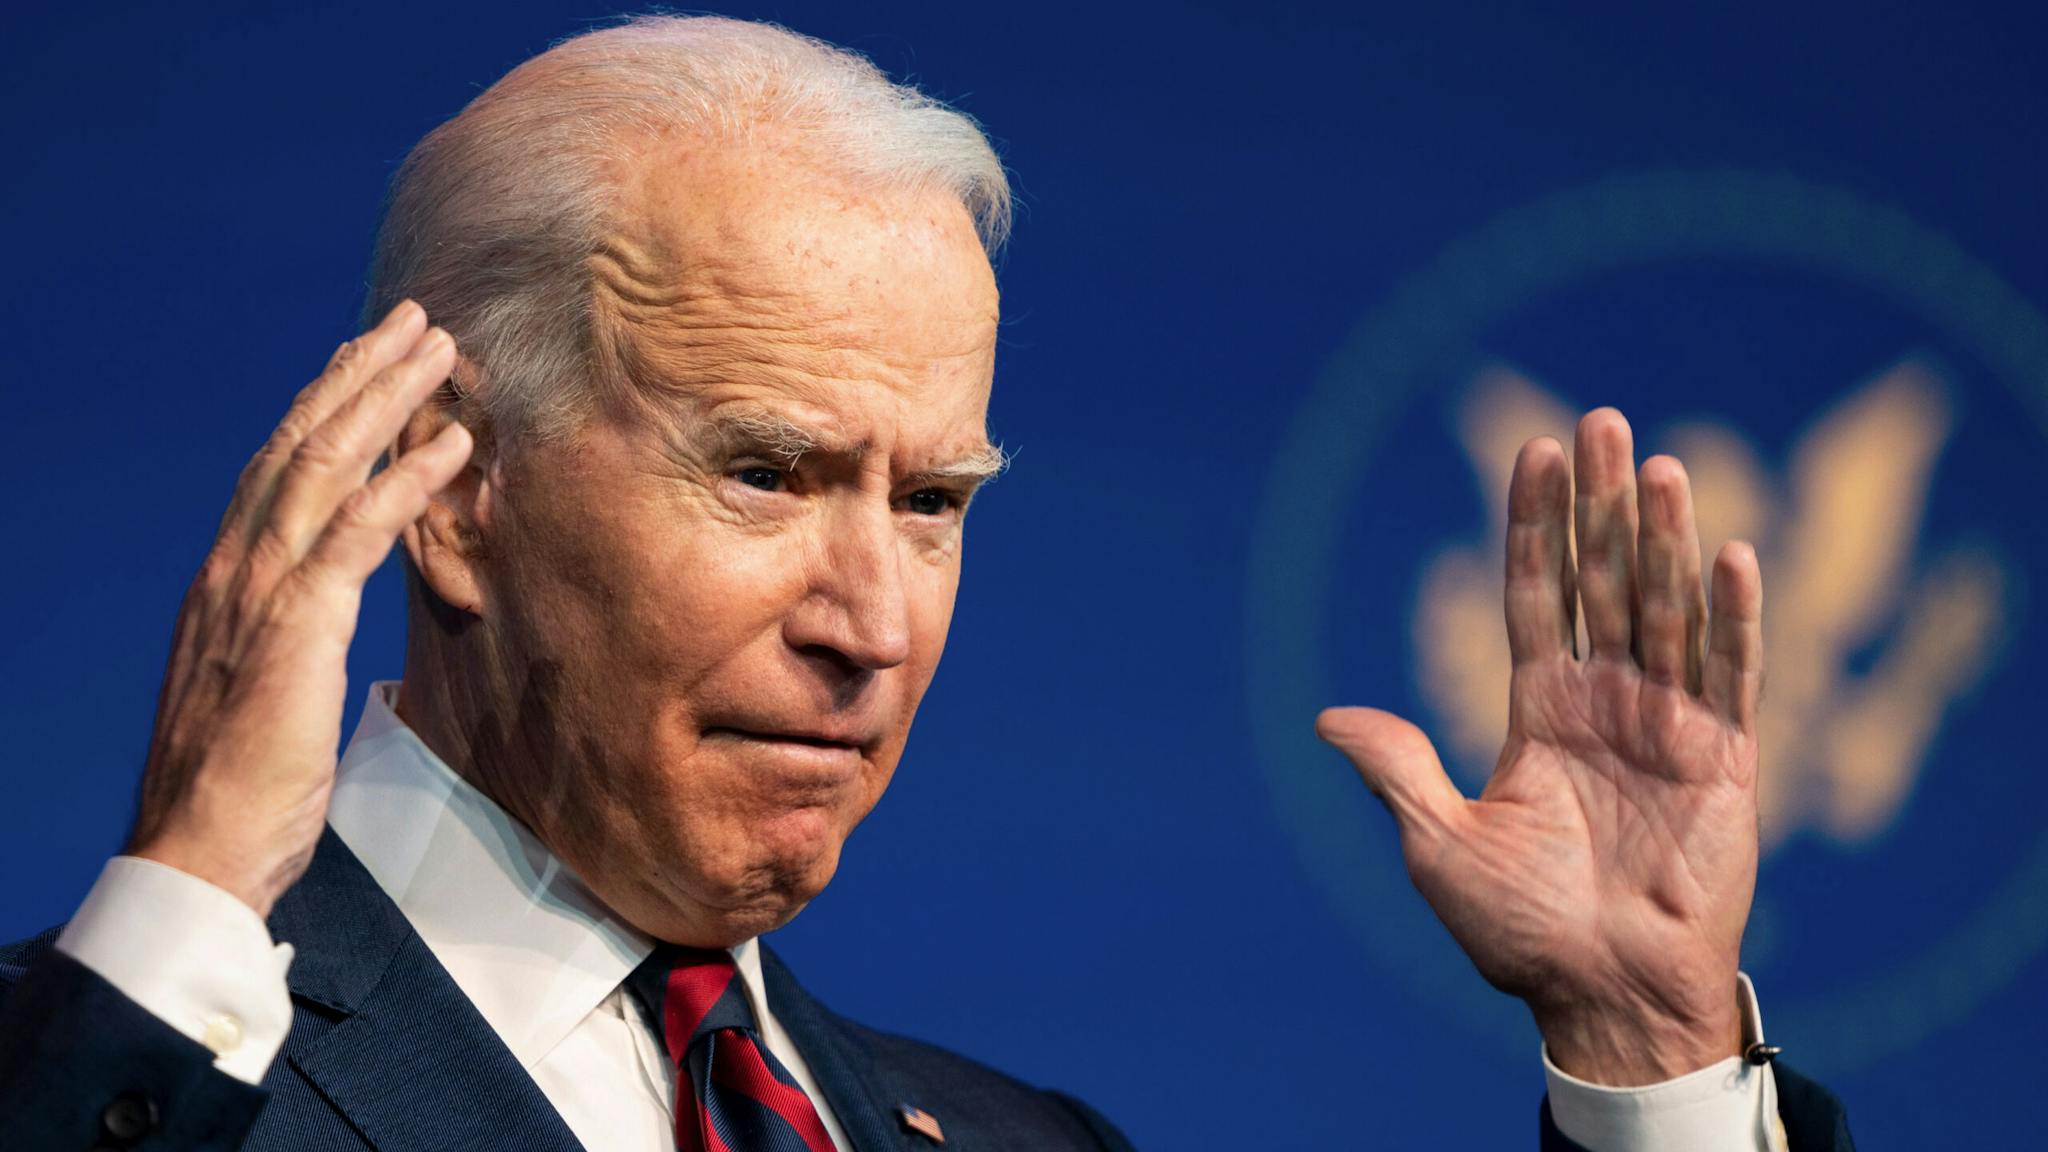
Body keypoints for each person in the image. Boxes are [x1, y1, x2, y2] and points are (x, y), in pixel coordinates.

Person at [0, 15, 1851, 1151]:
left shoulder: (1028, 1144)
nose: (871, 622)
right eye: (766, 472)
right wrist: (179, 918)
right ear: (456, 492)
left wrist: (1652, 1064)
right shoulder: (103, 1069)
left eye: (934, 501)